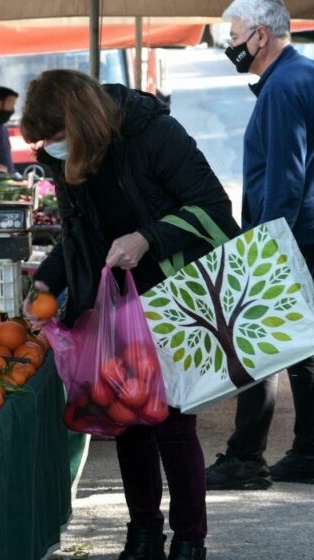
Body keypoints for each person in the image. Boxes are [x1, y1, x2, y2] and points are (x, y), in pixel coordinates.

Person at [20, 70, 240, 560]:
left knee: (174, 424)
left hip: (173, 294)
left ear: (81, 123)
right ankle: (143, 534)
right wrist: (48, 281)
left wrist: (147, 238)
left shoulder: (154, 133)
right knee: (127, 417)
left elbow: (213, 208)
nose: (51, 150)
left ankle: (189, 540)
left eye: (56, 139)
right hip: (115, 303)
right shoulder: (66, 158)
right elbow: (78, 235)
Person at [204, 0, 314, 490]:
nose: (230, 44)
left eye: (234, 34)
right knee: (301, 346)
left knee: (253, 341)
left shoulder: (283, 89)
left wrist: (267, 248)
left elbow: (285, 179)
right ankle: (310, 451)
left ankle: (246, 457)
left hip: (291, 233)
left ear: (261, 37)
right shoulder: (301, 76)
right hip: (305, 231)